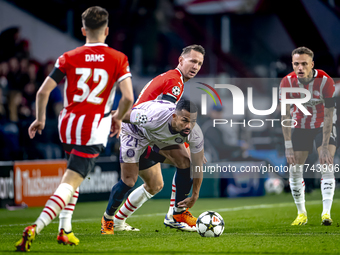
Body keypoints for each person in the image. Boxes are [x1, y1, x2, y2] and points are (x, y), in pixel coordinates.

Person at [15, 6, 134, 252]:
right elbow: (128, 98)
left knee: (72, 178)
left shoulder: (68, 56)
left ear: (83, 30)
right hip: (93, 127)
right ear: (107, 30)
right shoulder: (118, 58)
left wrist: (39, 120)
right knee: (70, 182)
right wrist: (119, 118)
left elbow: (42, 92)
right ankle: (35, 227)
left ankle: (65, 230)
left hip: (67, 125)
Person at [101, 45, 205, 233]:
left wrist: (189, 144)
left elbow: (178, 123)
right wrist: (108, 119)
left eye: (199, 63)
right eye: (192, 61)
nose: (196, 66)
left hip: (152, 131)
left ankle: (172, 214)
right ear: (181, 60)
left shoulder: (174, 80)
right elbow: (169, 117)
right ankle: (108, 219)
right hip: (137, 130)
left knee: (156, 184)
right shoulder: (174, 83)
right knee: (129, 180)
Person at [101, 99, 204, 235]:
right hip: (135, 132)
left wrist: (195, 195)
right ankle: (108, 219)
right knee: (129, 181)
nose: (189, 126)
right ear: (174, 117)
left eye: (193, 121)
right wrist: (100, 119)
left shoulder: (195, 133)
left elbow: (198, 166)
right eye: (185, 120)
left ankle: (178, 213)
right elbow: (120, 114)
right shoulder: (152, 118)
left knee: (186, 163)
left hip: (157, 136)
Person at [280, 46, 336, 226]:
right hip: (301, 126)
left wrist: (325, 147)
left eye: (304, 64)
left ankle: (326, 213)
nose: (300, 68)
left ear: (312, 64)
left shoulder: (325, 81)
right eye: (296, 64)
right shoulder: (286, 82)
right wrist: (288, 145)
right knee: (294, 168)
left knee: (326, 163)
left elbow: (329, 115)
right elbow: (285, 116)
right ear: (292, 64)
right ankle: (301, 214)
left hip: (323, 125)